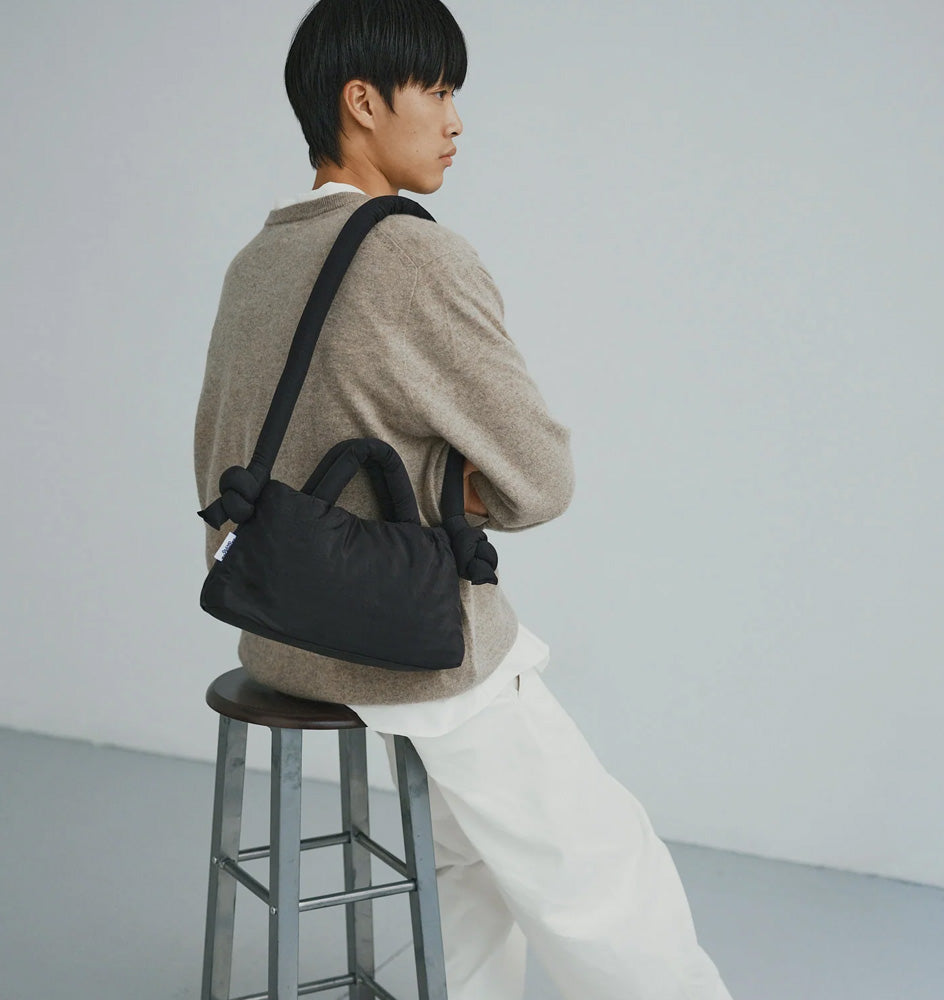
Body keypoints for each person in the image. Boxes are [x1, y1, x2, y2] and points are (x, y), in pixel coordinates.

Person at [193, 1, 735, 997]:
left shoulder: (255, 262)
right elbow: (540, 480)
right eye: (436, 91)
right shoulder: (413, 254)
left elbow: (224, 464)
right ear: (362, 102)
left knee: (473, 853)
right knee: (599, 866)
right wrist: (453, 486)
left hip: (276, 634)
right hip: (400, 643)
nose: (454, 120)